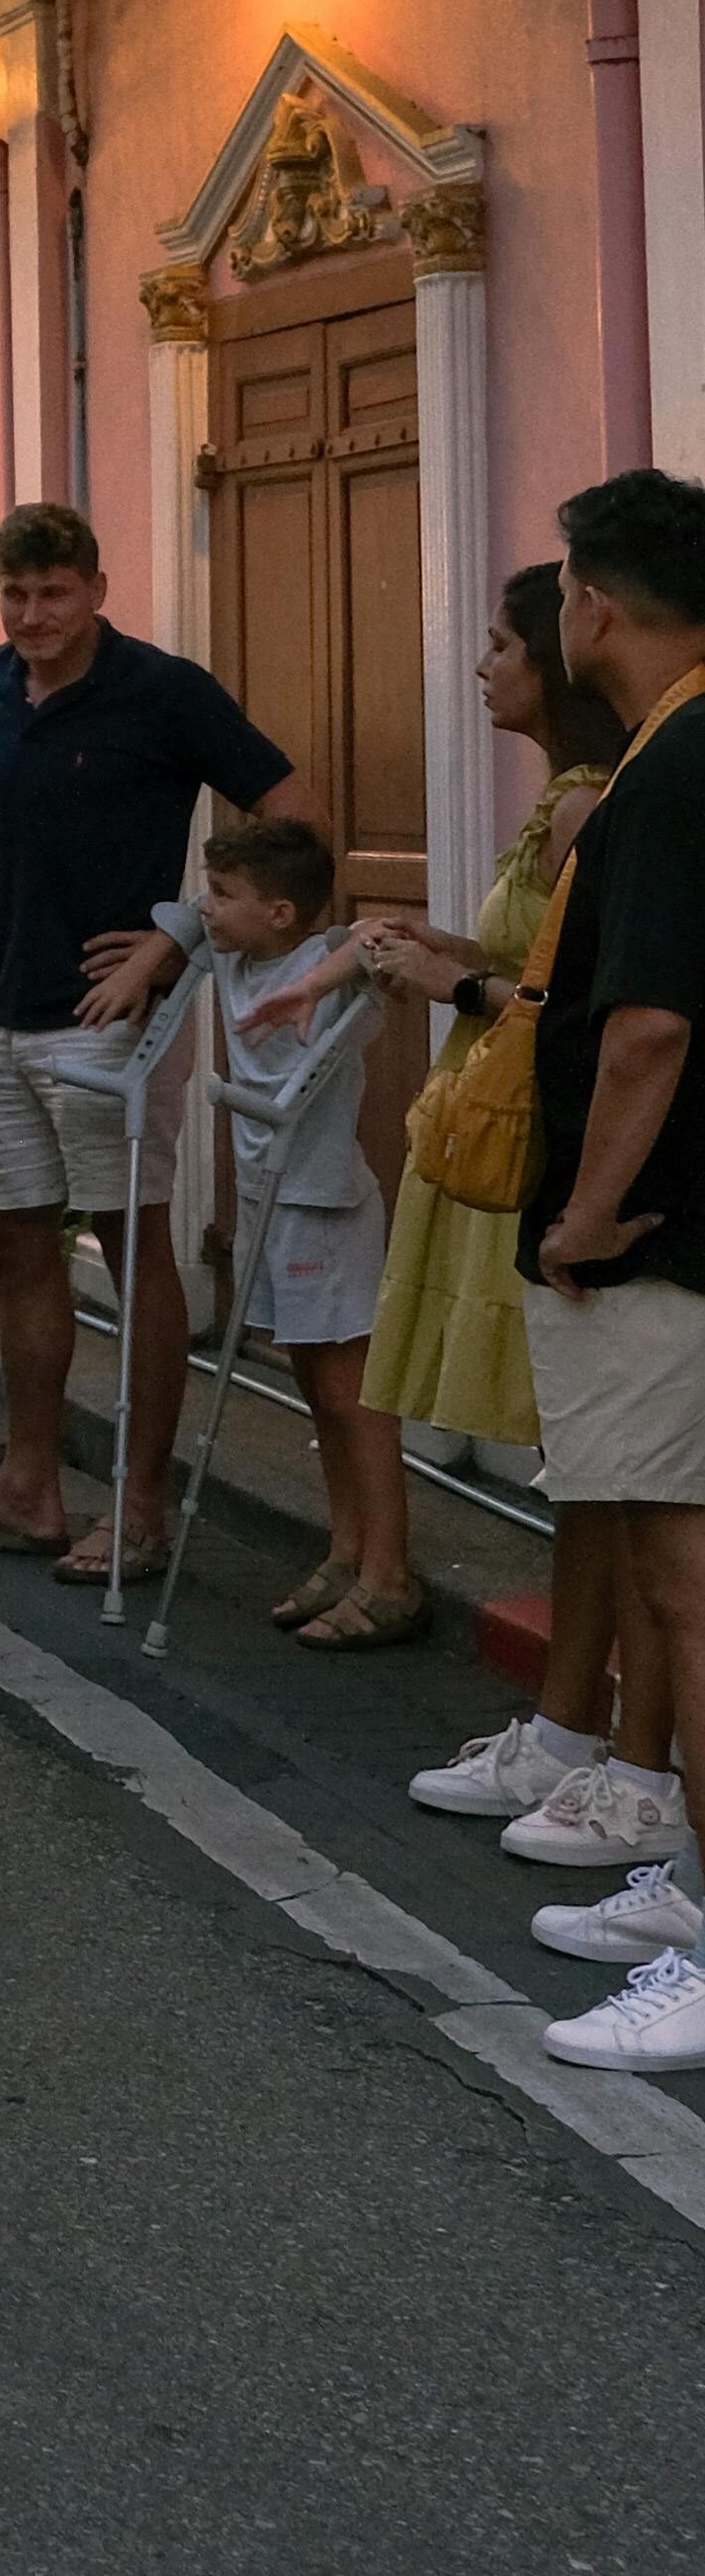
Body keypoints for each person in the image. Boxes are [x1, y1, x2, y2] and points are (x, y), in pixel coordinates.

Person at [0, 500, 290, 1587]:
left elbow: (290, 816)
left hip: (112, 1027)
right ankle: (27, 1488)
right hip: (4, 1016)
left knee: (132, 1248)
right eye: (14, 594)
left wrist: (175, 939)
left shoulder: (163, 691)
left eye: (53, 595)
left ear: (96, 592)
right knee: (17, 1244)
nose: (32, 617)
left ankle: (140, 1511)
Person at [484, 474, 705, 2069]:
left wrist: (585, 1211)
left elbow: (649, 1027)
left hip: (657, 1235)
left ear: (596, 606)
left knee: (687, 1583)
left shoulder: (674, 766)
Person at [386, 571, 640, 1830]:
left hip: (551, 1142)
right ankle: (568, 1731)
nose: (481, 664)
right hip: (529, 1129)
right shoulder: (562, 795)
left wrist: (449, 987)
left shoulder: (589, 801)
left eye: (498, 644)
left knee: (593, 1461)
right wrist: (446, 951)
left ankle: (582, 1736)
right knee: (579, 1461)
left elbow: (578, 1008)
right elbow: (536, 960)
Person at [140, 811, 418, 1636]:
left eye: (225, 893)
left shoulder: (322, 965)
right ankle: (346, 1549)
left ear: (282, 912)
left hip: (322, 1204)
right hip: (268, 1198)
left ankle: (389, 1573)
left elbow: (379, 937)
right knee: (310, 1381)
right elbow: (180, 920)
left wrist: (316, 983)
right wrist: (203, 913)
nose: (209, 906)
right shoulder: (234, 956)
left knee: (350, 1390)